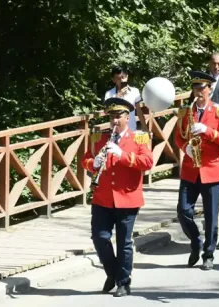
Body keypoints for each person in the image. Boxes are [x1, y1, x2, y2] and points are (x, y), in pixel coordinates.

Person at [83, 98, 153, 297]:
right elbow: (85, 159)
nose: (114, 121)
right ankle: (112, 273)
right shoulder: (100, 138)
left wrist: (122, 155)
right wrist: (93, 163)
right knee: (99, 238)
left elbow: (147, 162)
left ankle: (123, 282)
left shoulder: (139, 138)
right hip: (103, 197)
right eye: (112, 117)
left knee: (124, 243)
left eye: (118, 116)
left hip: (127, 197)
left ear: (127, 117)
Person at [175, 71, 219, 270]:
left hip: (212, 169)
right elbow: (178, 137)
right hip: (191, 169)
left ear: (210, 90)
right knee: (183, 211)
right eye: (195, 88)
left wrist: (207, 131)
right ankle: (195, 241)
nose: (199, 92)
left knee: (211, 215)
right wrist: (185, 148)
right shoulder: (185, 111)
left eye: (203, 88)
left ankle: (209, 253)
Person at [104, 66, 142, 132]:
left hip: (131, 129)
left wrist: (144, 127)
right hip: (116, 131)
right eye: (118, 78)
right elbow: (106, 111)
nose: (121, 80)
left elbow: (139, 111)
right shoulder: (109, 93)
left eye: (123, 77)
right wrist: (118, 96)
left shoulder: (135, 91)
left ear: (127, 77)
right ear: (113, 80)